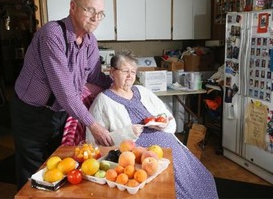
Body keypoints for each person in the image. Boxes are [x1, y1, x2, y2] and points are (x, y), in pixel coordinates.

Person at [10, 0, 113, 190]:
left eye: (100, 13)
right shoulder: (52, 34)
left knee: (58, 166)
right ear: (72, 7)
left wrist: (120, 83)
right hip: (31, 113)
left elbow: (94, 76)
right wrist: (94, 125)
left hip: (61, 114)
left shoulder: (90, 42)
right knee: (32, 171)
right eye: (90, 10)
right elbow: (65, 91)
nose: (95, 18)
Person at [86, 52, 218, 199]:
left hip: (170, 148)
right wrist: (127, 132)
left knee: (202, 178)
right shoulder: (103, 101)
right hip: (140, 156)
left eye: (133, 72)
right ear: (112, 72)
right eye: (125, 71)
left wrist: (164, 123)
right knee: (173, 190)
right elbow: (93, 142)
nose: (129, 76)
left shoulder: (142, 91)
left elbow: (167, 116)